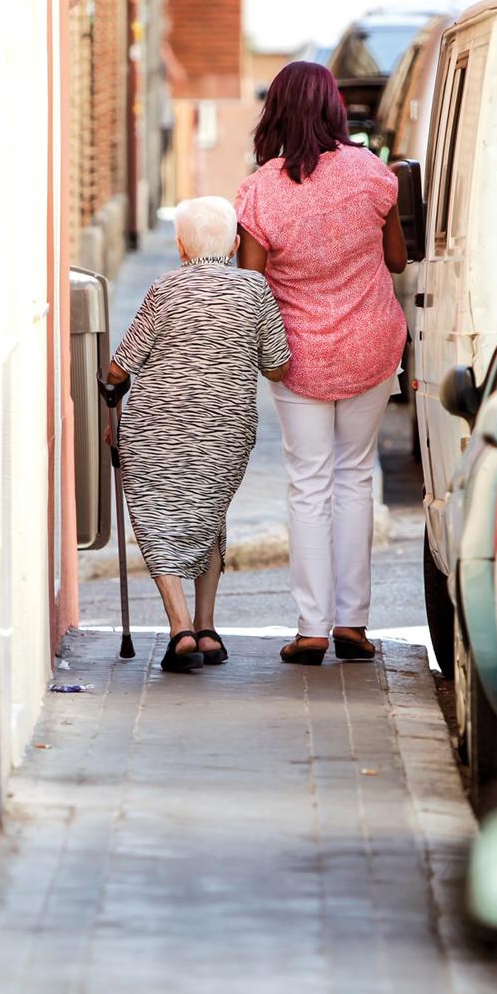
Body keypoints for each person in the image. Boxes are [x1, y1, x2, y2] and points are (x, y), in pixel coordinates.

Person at [235, 60, 408, 666]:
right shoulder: (373, 174)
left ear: (276, 111)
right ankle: (353, 625)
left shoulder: (261, 190)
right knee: (355, 478)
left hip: (298, 355)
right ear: (334, 108)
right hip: (369, 344)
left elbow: (250, 280)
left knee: (308, 484)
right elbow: (396, 261)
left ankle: (311, 627)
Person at [104, 195, 292, 673]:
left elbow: (121, 365)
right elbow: (277, 366)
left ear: (181, 248)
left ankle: (181, 629)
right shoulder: (254, 290)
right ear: (233, 244)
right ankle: (207, 630)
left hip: (154, 426)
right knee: (209, 512)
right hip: (226, 428)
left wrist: (110, 393)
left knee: (158, 520)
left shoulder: (165, 287)